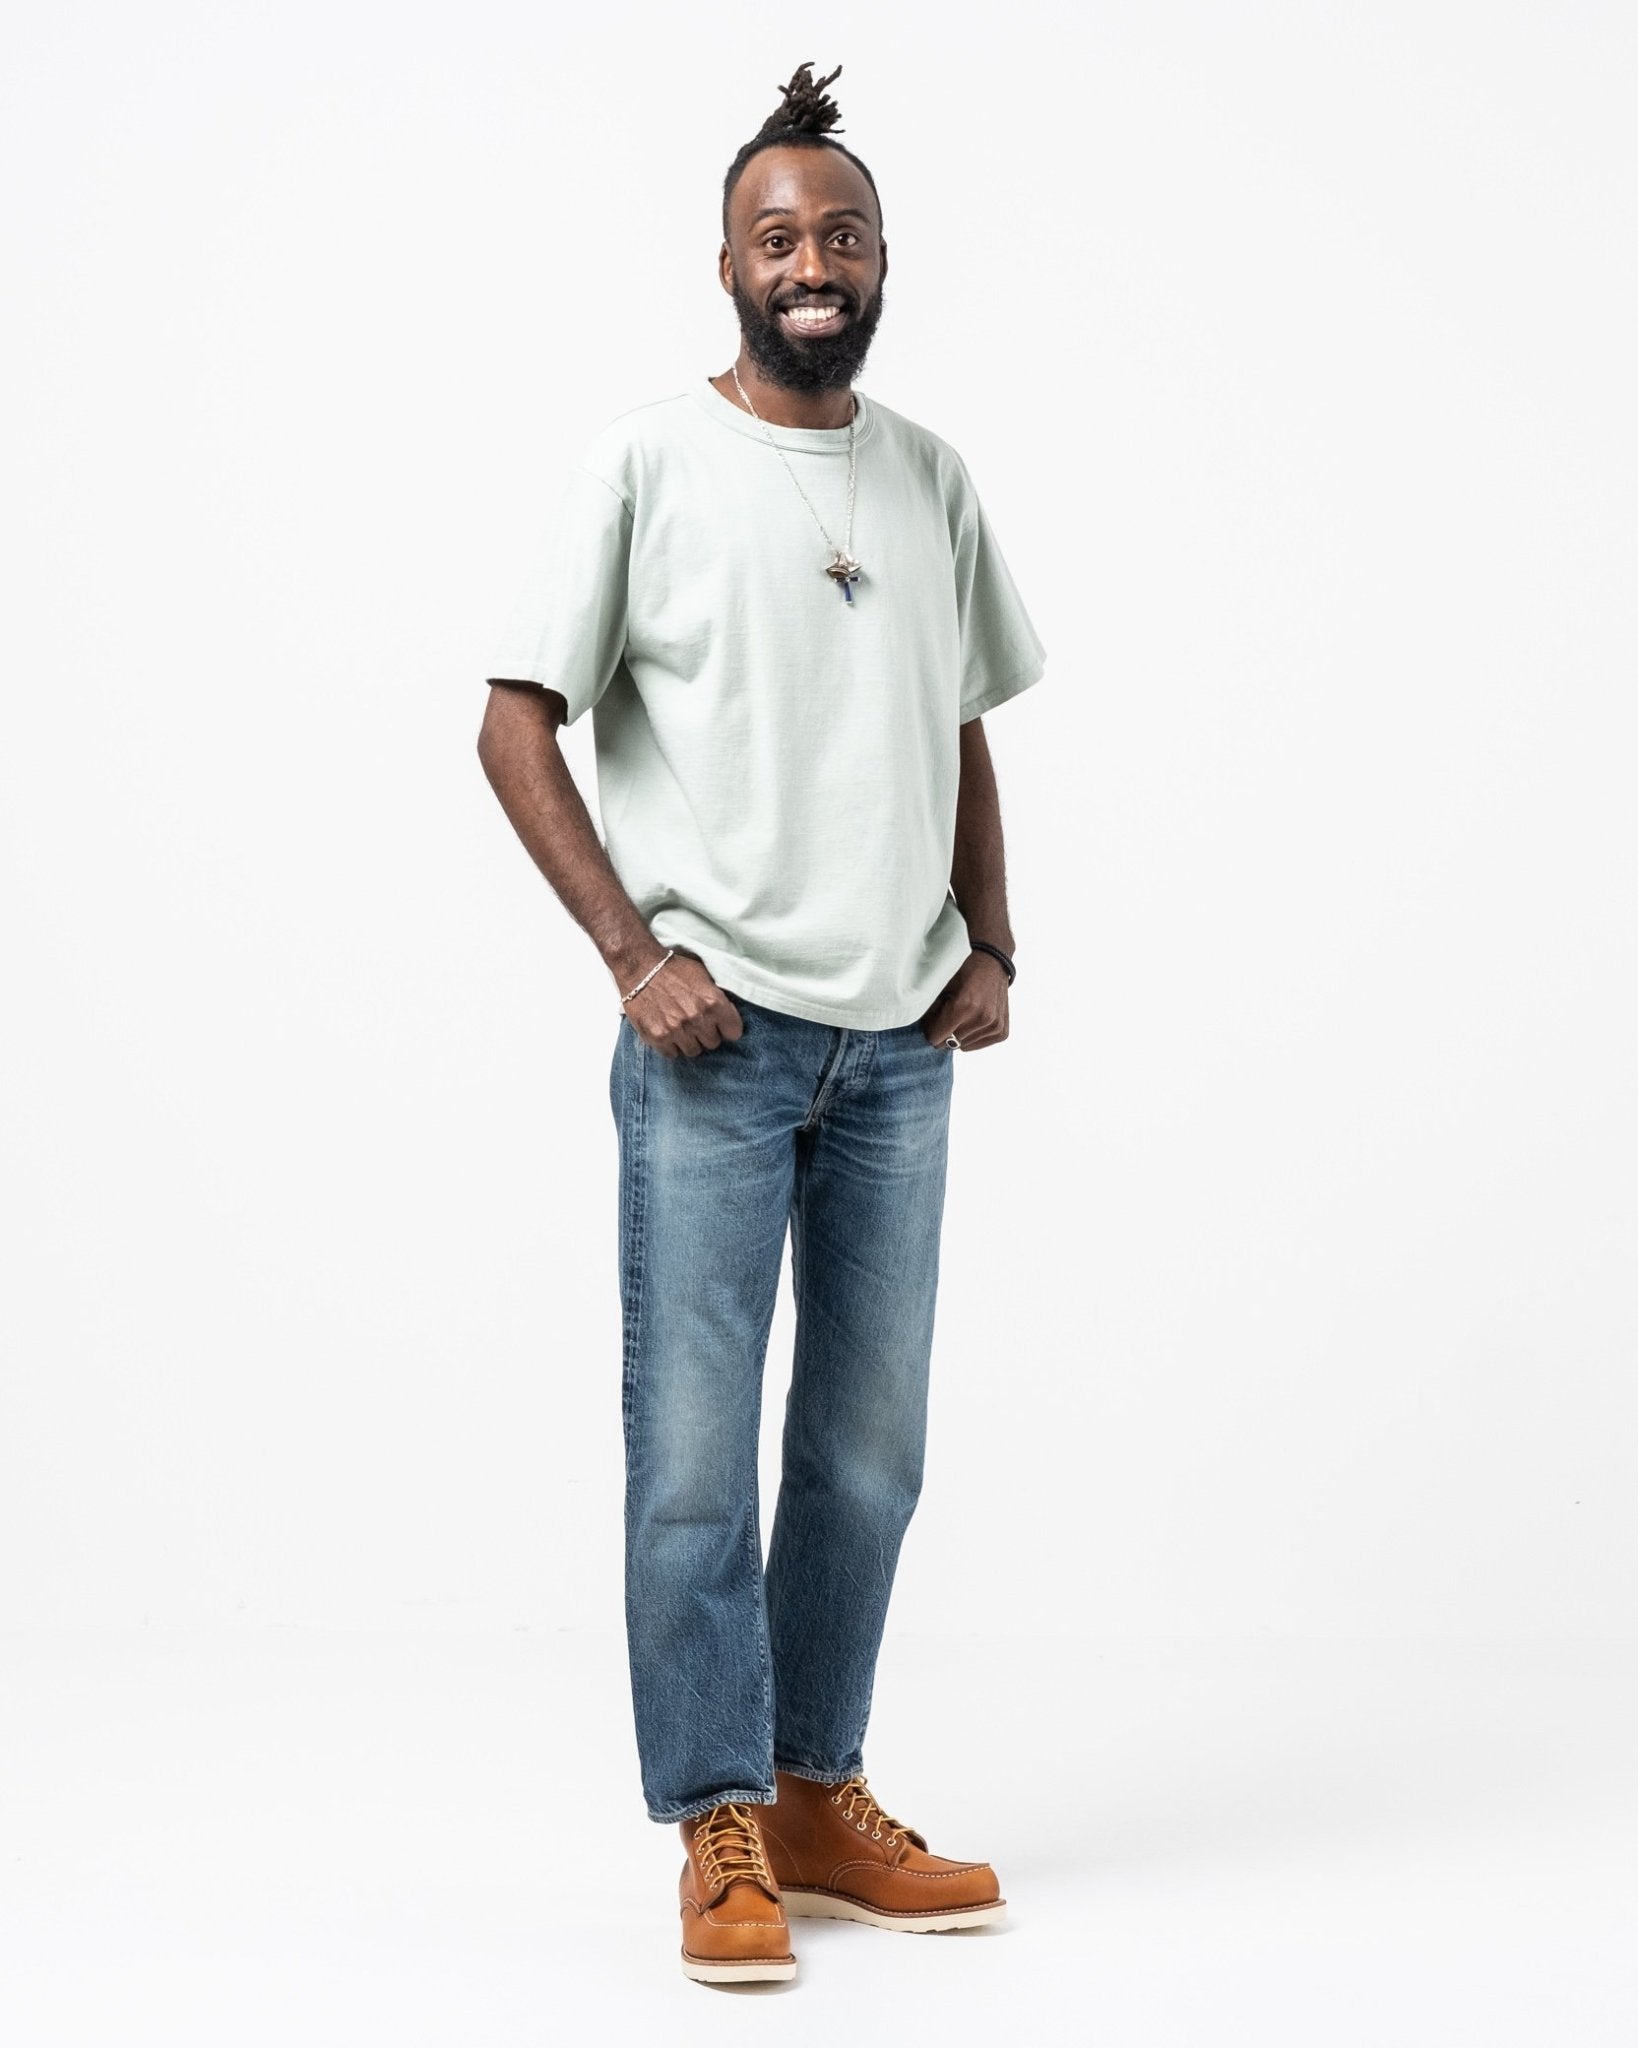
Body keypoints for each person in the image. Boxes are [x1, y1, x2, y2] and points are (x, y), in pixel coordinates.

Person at [477, 60, 1046, 1986]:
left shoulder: (930, 476)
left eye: (844, 234)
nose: (814, 263)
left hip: (899, 1047)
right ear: (725, 265)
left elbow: (958, 721)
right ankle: (717, 1815)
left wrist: (993, 939)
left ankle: (816, 1792)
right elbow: (513, 724)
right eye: (779, 236)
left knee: (867, 1458)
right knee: (694, 1468)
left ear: (883, 261)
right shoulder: (643, 466)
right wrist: (632, 956)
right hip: (710, 1051)